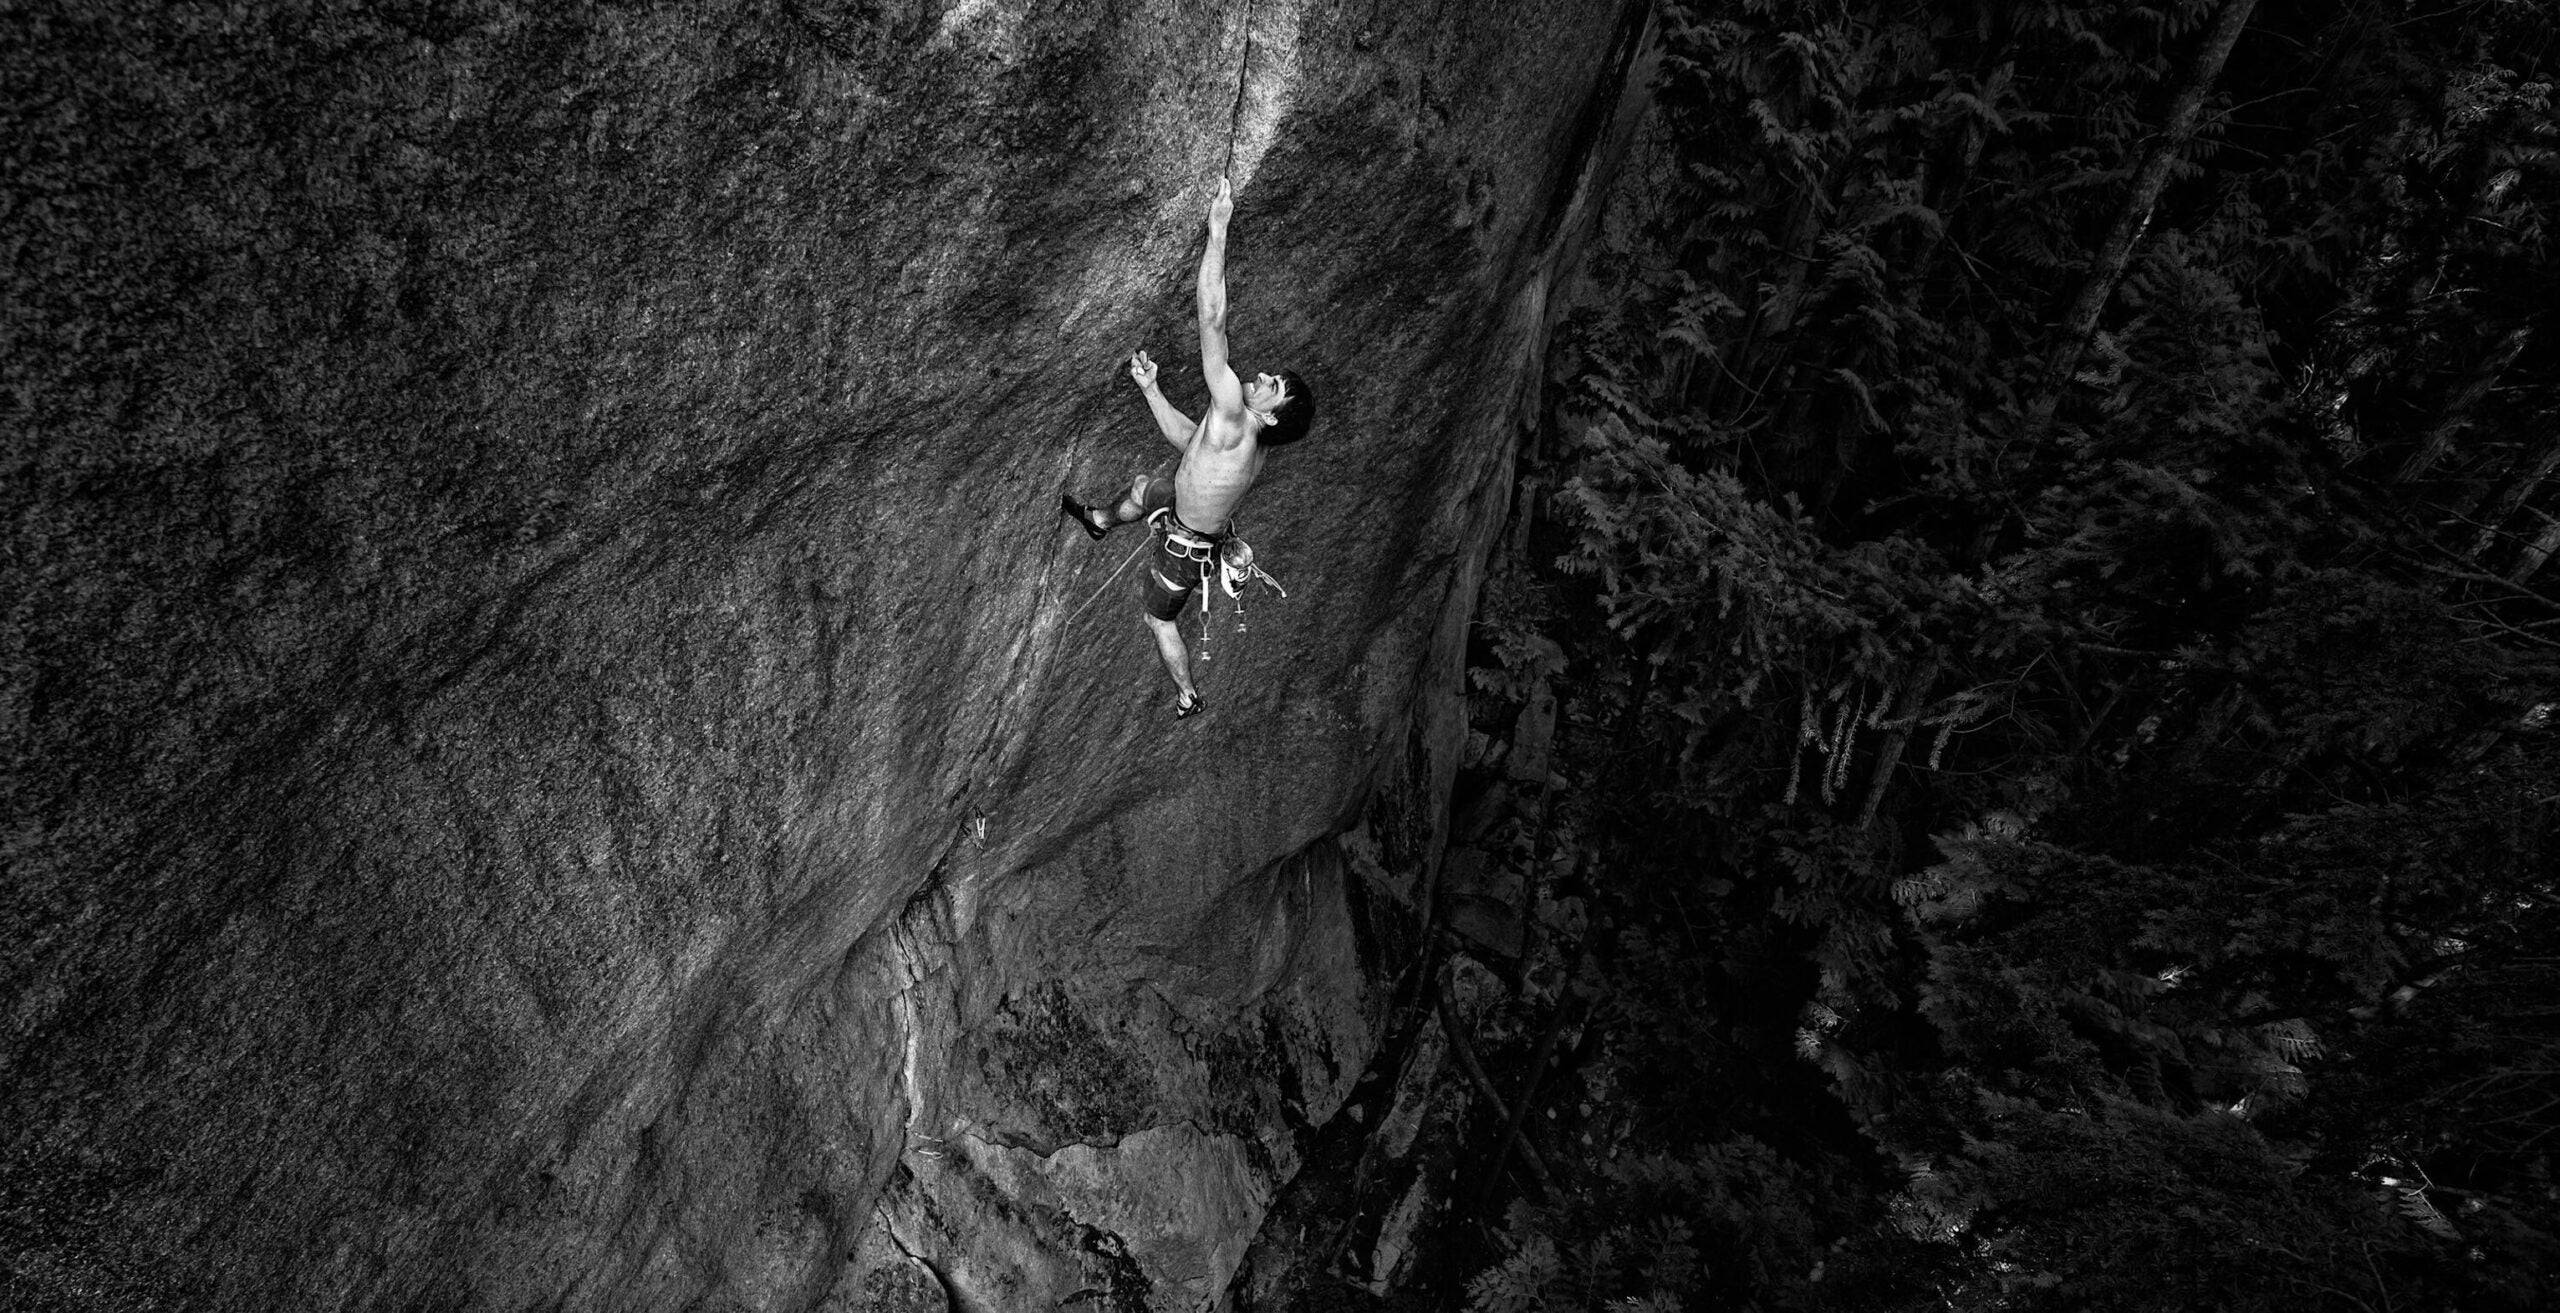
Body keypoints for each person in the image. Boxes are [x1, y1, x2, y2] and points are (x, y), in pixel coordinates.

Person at [1062, 176, 1316, 718]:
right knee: (1140, 490)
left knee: (1160, 620)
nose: (1264, 375)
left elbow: (1212, 319)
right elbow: (1188, 443)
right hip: (1182, 513)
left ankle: (1188, 694)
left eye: (1273, 385)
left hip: (1183, 551)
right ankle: (1101, 520)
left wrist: (1218, 229)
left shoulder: (1234, 414)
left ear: (1268, 412)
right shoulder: (1240, 438)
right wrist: (1152, 389)